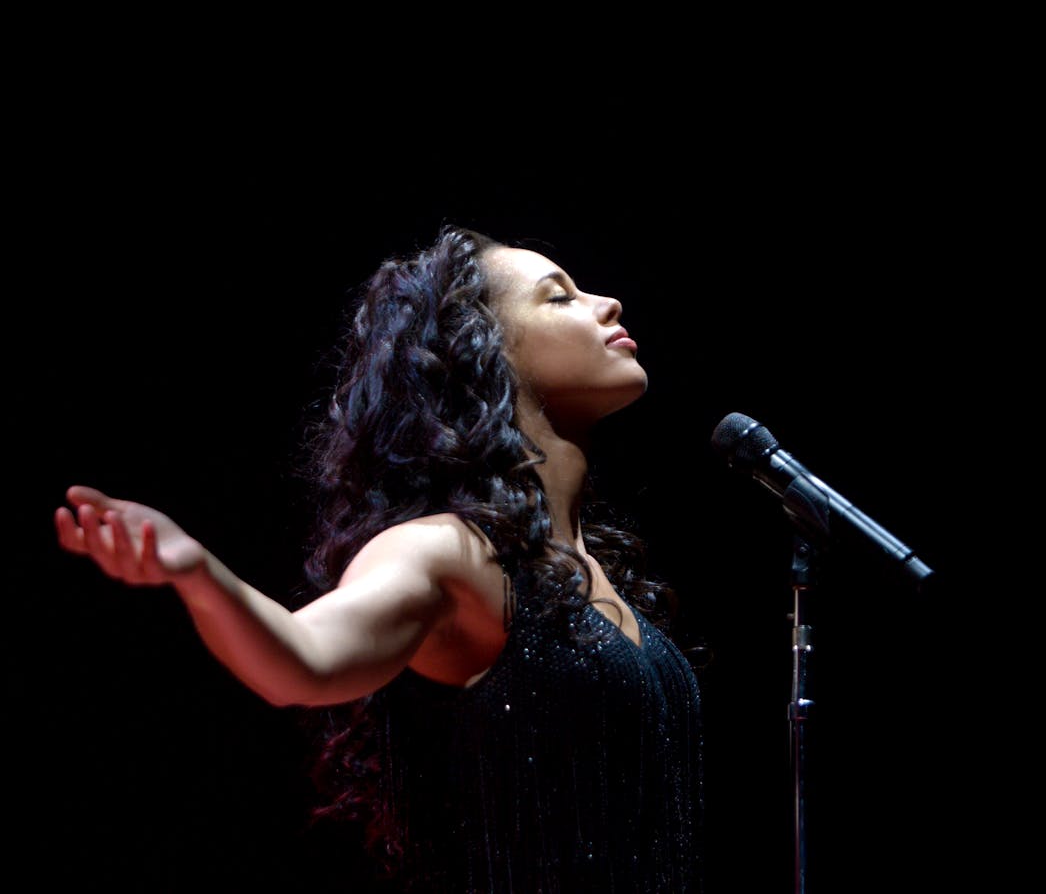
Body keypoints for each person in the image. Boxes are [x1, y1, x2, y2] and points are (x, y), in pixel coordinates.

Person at [53, 224, 705, 892]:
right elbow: (302, 660)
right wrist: (197, 571)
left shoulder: (596, 573)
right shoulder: (451, 550)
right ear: (485, 351)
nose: (609, 303)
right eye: (559, 296)